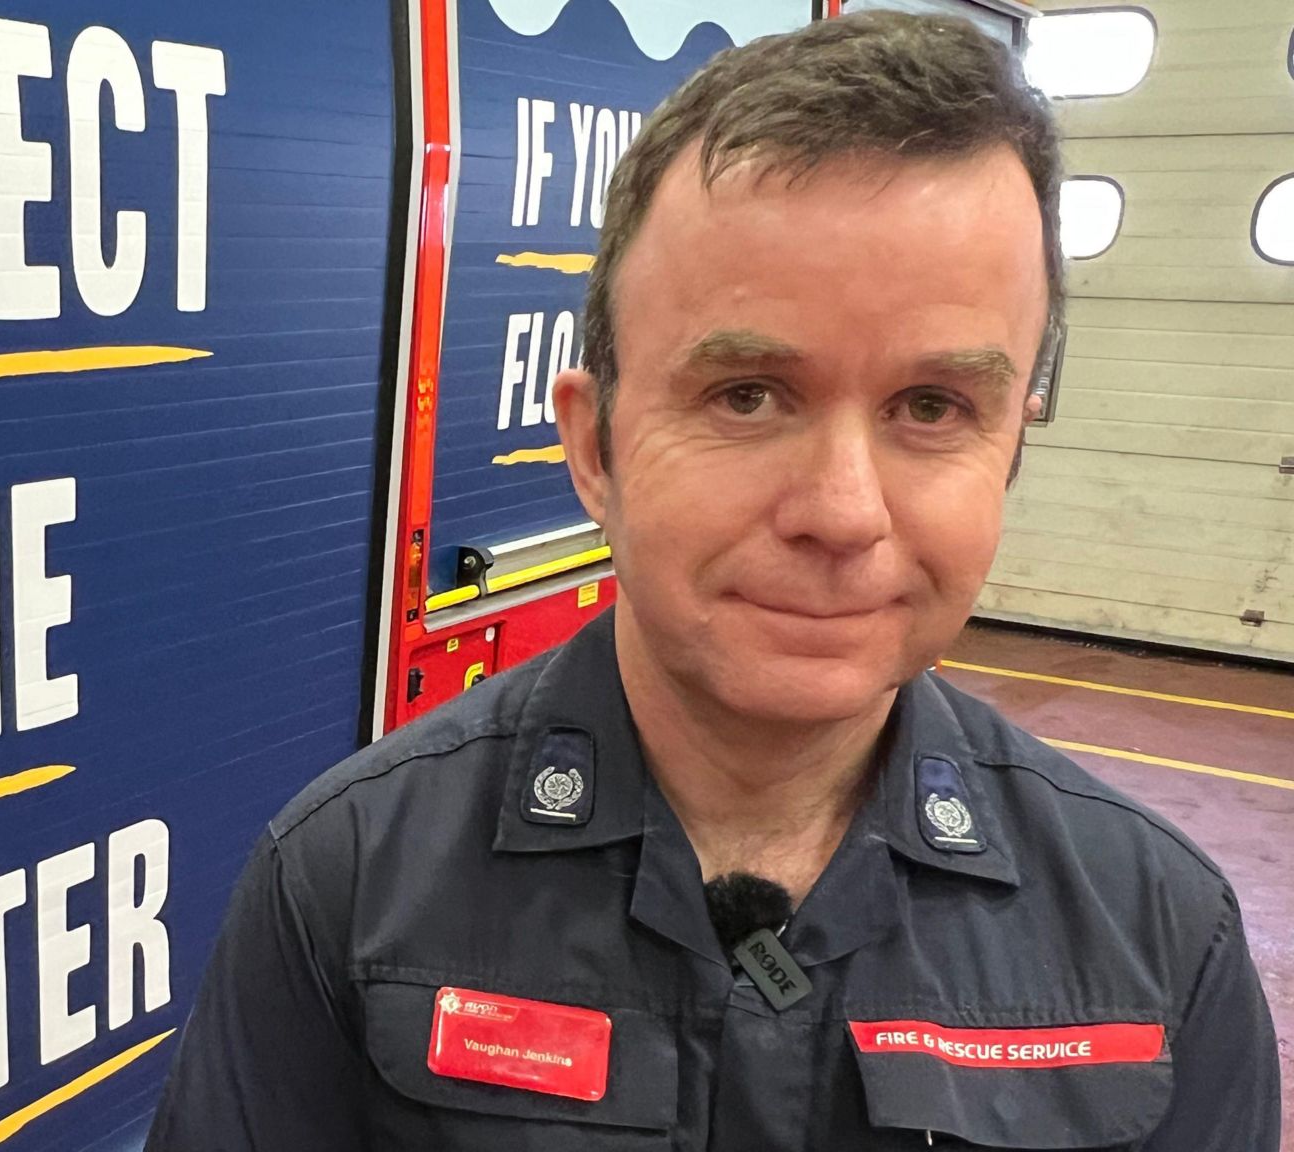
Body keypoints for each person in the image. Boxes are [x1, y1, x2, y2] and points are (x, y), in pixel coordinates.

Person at [145, 10, 1282, 1151]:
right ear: (592, 449)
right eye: (746, 395)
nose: (841, 511)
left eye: (930, 409)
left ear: (1008, 451)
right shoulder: (344, 891)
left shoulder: (1157, 939)